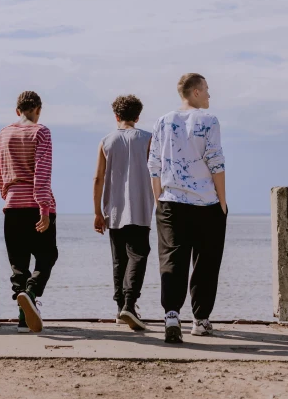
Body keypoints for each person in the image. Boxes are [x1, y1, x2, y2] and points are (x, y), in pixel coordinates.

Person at [149, 73, 227, 343]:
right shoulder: (209, 120)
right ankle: (200, 320)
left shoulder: (162, 120)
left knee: (172, 259)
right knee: (206, 262)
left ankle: (171, 315)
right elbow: (215, 162)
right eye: (206, 89)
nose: (209, 95)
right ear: (195, 92)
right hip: (206, 202)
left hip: (170, 202)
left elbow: (154, 165)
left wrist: (158, 199)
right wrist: (223, 201)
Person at [0, 90, 57, 334]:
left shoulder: (4, 133)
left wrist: (7, 194)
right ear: (38, 110)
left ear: (17, 110)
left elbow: (0, 168)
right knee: (47, 255)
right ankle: (31, 292)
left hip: (12, 205)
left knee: (18, 263)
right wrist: (44, 208)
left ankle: (23, 319)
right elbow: (42, 172)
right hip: (36, 205)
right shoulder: (41, 131)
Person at [93, 94, 153, 331]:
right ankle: (129, 304)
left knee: (119, 259)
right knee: (138, 255)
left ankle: (120, 310)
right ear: (138, 116)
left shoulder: (106, 141)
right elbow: (157, 173)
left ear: (116, 116)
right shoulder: (148, 139)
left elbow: (98, 178)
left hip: (114, 209)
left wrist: (97, 211)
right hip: (141, 207)